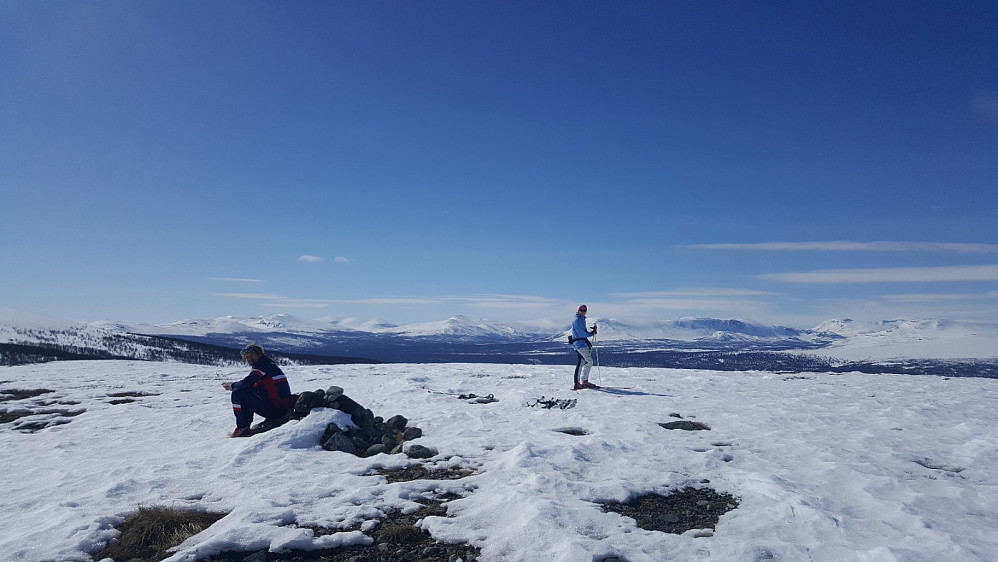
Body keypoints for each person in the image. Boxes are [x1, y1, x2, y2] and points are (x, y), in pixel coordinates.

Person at [223, 343, 297, 437]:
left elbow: (245, 383)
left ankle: (242, 427)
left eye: (252, 355)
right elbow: (249, 385)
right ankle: (245, 425)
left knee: (237, 392)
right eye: (246, 357)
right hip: (281, 406)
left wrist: (231, 385)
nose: (249, 358)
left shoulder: (263, 366)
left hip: (277, 408)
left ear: (259, 354)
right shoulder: (268, 364)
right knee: (244, 391)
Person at [570, 305, 598, 389]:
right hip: (579, 344)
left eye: (585, 310)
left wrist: (591, 332)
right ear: (578, 311)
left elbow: (582, 332)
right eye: (582, 310)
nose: (583, 312)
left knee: (581, 362)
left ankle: (578, 382)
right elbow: (581, 333)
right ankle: (583, 381)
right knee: (589, 361)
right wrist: (591, 333)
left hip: (581, 343)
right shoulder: (578, 320)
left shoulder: (582, 320)